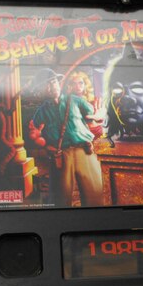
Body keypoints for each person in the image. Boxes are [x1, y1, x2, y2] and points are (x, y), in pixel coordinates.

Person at [30, 69, 104, 207]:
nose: (52, 87)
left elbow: (93, 116)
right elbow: (34, 132)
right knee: (60, 199)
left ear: (58, 83)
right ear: (42, 90)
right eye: (47, 85)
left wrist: (98, 116)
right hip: (61, 156)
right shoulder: (42, 111)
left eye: (53, 82)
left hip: (85, 151)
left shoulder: (75, 101)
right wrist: (45, 146)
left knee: (94, 194)